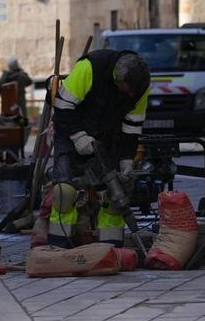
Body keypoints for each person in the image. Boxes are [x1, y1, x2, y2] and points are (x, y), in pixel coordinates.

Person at [46, 49, 150, 246]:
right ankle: (59, 247)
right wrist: (78, 136)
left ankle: (110, 248)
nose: (130, 95)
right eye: (126, 90)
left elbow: (133, 125)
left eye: (133, 92)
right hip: (71, 130)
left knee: (116, 193)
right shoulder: (90, 68)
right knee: (65, 192)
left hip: (108, 136)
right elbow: (61, 107)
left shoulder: (140, 87)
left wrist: (127, 157)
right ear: (116, 79)